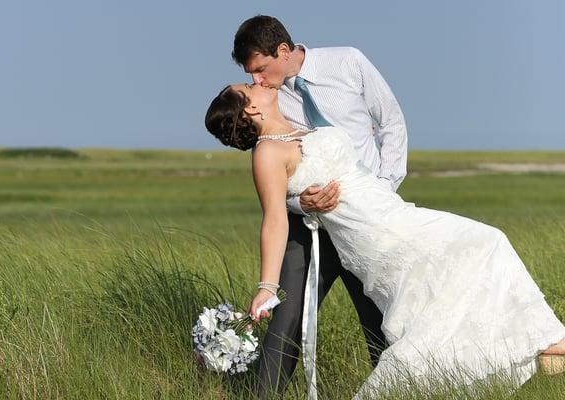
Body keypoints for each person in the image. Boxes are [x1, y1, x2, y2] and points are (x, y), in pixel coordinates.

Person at [204, 82, 565, 398]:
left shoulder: (297, 131)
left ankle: (536, 341)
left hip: (392, 211)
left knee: (450, 287)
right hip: (376, 232)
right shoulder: (268, 152)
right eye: (249, 87)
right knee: (487, 242)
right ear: (250, 107)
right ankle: (546, 340)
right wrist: (268, 286)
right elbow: (274, 219)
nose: (258, 83)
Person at [231, 15, 408, 398]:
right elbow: (281, 173)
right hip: (310, 225)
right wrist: (300, 200)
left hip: (366, 220)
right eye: (252, 75)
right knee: (287, 318)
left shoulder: (348, 62)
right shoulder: (272, 102)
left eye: (261, 69)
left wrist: (382, 191)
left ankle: (392, 391)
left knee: (379, 318)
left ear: (283, 51)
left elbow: (391, 122)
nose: (258, 80)